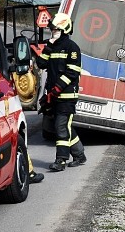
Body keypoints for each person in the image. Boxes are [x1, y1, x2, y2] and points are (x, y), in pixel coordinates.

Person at [34, 12, 86, 172]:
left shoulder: (72, 48)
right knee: (64, 126)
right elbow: (41, 64)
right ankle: (79, 155)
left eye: (56, 30)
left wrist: (57, 88)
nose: (53, 32)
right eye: (52, 30)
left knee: (61, 126)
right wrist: (47, 48)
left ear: (64, 30)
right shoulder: (52, 47)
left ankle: (61, 160)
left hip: (67, 96)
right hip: (54, 96)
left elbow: (72, 72)